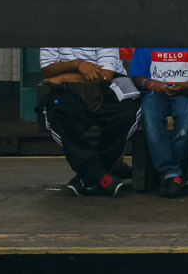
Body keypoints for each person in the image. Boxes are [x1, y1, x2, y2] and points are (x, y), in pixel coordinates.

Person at [37, 47, 140, 197]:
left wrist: (62, 78)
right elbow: (48, 70)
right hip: (69, 90)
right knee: (59, 112)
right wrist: (78, 64)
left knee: (127, 113)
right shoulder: (54, 30)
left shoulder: (102, 27)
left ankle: (87, 177)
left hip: (109, 85)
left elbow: (105, 76)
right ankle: (100, 176)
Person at [129, 47, 188, 198]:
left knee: (186, 124)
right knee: (151, 121)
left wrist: (185, 86)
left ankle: (170, 174)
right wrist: (153, 85)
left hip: (187, 92)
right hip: (155, 93)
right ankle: (173, 173)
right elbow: (137, 76)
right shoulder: (147, 40)